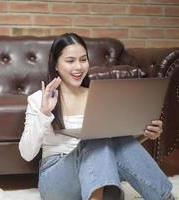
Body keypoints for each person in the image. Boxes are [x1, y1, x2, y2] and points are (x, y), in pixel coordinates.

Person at [18, 33, 174, 200]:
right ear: (55, 64)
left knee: (109, 139)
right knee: (94, 139)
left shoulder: (99, 96)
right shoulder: (39, 99)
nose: (78, 67)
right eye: (70, 61)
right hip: (57, 179)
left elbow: (119, 148)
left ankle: (164, 197)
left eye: (83, 59)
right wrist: (44, 113)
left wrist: (145, 133)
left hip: (101, 173)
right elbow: (27, 153)